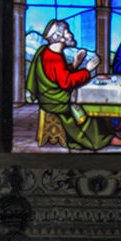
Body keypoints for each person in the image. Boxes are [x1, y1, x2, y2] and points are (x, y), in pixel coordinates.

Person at [27, 17, 102, 150]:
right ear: (59, 36)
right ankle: (96, 141)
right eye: (67, 31)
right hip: (55, 99)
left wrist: (74, 64)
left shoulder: (50, 52)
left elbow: (58, 76)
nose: (71, 34)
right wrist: (86, 70)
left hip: (50, 95)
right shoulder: (54, 57)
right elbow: (66, 82)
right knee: (90, 106)